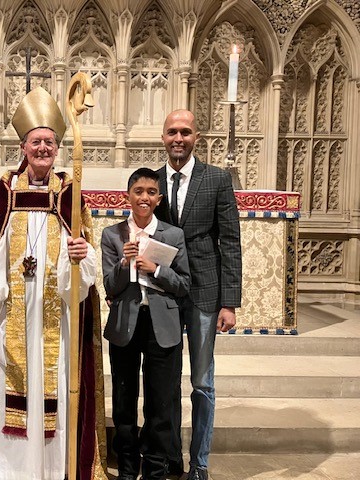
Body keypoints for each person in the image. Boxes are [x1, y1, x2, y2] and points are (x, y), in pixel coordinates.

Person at [0, 86, 107, 480]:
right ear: (23, 146)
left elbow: (87, 258)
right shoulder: (7, 191)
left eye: (50, 143)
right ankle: (9, 471)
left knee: (56, 385)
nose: (43, 149)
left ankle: (56, 469)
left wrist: (80, 256)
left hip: (58, 314)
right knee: (10, 386)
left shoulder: (70, 193)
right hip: (14, 310)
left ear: (57, 149)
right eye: (36, 142)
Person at [154, 109, 242, 480]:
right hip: (166, 291)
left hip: (205, 291)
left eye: (185, 132)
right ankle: (171, 457)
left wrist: (229, 302)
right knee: (166, 380)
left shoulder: (217, 179)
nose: (178, 138)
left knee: (202, 382)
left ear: (197, 137)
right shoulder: (153, 181)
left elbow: (231, 241)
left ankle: (200, 464)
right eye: (172, 132)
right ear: (162, 137)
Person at [101, 167, 190, 480]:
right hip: (126, 323)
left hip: (161, 324)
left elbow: (183, 284)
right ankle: (127, 468)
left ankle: (155, 468)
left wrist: (155, 269)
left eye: (151, 192)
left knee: (159, 401)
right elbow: (109, 287)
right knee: (124, 400)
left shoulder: (172, 234)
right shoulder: (113, 234)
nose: (144, 198)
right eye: (138, 191)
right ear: (128, 196)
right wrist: (125, 263)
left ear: (158, 198)